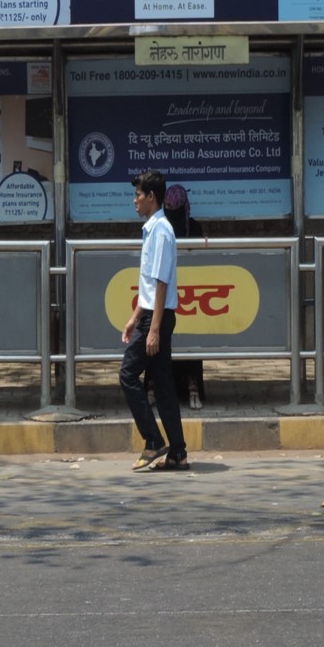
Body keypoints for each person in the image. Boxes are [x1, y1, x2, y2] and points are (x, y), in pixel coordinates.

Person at [121, 170, 188, 471]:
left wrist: (153, 329)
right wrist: (135, 318)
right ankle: (177, 452)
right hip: (151, 315)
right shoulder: (153, 229)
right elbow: (148, 283)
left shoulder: (161, 231)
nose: (134, 199)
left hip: (157, 317)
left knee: (127, 374)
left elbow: (161, 283)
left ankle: (153, 441)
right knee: (162, 386)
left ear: (152, 197)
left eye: (138, 194)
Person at [164, 184, 205, 409]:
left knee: (191, 344)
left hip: (190, 297)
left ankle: (192, 389)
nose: (170, 210)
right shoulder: (161, 228)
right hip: (170, 297)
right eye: (167, 206)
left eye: (173, 207)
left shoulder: (193, 229)